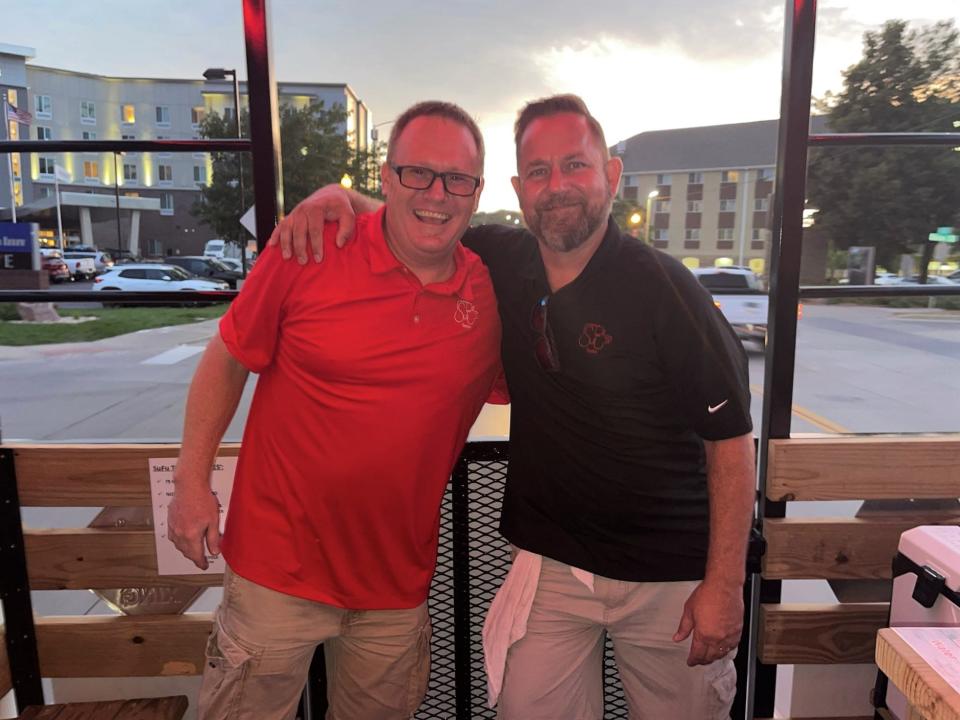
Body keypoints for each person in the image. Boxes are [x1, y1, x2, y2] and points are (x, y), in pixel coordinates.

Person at [273, 94, 756, 719]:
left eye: (574, 166)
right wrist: (335, 198)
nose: (557, 187)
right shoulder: (500, 260)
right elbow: (420, 214)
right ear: (517, 187)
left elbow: (731, 442)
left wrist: (724, 586)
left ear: (610, 176)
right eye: (538, 171)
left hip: (670, 576)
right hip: (557, 567)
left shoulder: (666, 288)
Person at [167, 100, 505, 720]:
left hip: (395, 590)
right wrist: (192, 482)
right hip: (275, 573)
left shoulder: (487, 293)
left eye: (458, 179)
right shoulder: (312, 247)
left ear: (477, 193)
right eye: (418, 173)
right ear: (385, 174)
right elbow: (228, 356)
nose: (437, 193)